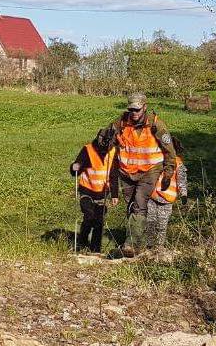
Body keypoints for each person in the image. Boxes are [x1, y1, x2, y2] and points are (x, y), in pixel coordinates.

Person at [109, 93, 177, 257]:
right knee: (132, 205)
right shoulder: (121, 122)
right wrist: (105, 139)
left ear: (144, 107)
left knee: (140, 202)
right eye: (131, 109)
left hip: (150, 170)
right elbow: (107, 140)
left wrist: (168, 173)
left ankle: (131, 246)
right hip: (128, 172)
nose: (134, 113)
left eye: (137, 109)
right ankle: (139, 241)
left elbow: (170, 151)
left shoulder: (156, 125)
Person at [70, 127, 118, 253]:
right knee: (89, 216)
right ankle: (82, 243)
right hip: (87, 191)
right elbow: (76, 168)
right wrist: (75, 167)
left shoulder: (113, 151)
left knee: (99, 221)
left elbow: (113, 174)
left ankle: (95, 249)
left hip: (102, 193)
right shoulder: (88, 150)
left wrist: (115, 194)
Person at [146, 136, 188, 250]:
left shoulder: (179, 165)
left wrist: (184, 194)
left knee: (162, 226)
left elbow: (182, 180)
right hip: (153, 197)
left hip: (166, 201)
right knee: (150, 223)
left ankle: (159, 248)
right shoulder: (158, 160)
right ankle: (149, 247)